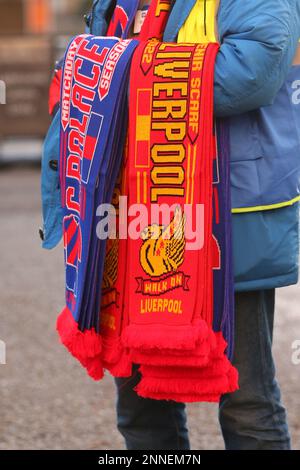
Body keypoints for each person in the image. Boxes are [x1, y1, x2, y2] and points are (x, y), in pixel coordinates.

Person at [41, 0, 300, 450]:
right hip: (123, 218)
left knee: (247, 405)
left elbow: (253, 73)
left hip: (223, 220)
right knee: (140, 405)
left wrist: (119, 78)